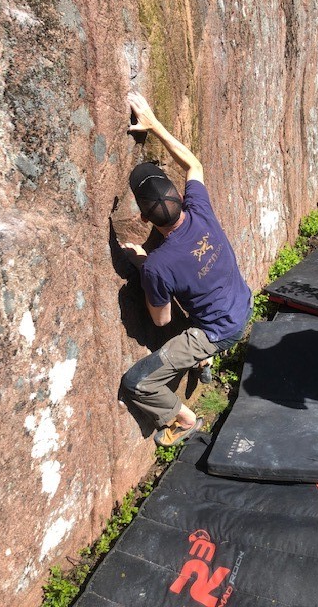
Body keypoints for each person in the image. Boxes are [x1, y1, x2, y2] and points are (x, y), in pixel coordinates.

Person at [120, 92, 252, 447]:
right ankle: (202, 360)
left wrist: (144, 265)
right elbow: (194, 165)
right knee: (193, 304)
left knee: (137, 382)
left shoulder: (158, 265)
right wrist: (153, 123)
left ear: (144, 218)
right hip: (243, 303)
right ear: (180, 197)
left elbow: (162, 320)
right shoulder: (200, 210)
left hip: (218, 330)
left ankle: (184, 418)